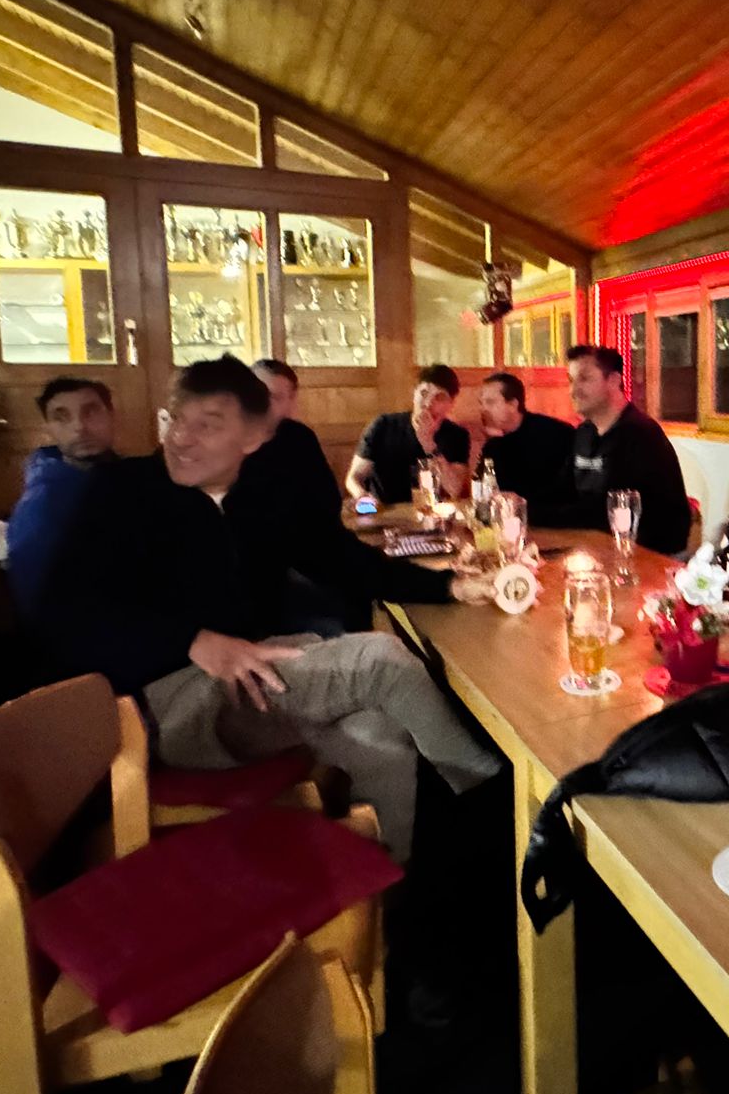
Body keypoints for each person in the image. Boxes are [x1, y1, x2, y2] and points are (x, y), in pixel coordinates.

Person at [43, 357, 499, 860]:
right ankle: (493, 799)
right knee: (382, 659)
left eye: (211, 425)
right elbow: (67, 611)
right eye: (179, 420)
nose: (185, 439)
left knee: (382, 739)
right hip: (158, 706)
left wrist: (452, 586)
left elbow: (342, 561)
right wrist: (191, 641)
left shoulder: (259, 496)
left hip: (252, 676)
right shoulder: (120, 491)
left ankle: (384, 885)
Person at [542, 344, 690, 555]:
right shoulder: (584, 432)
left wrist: (533, 514)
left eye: (584, 379)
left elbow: (604, 512)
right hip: (600, 544)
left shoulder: (640, 435)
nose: (573, 391)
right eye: (571, 380)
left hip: (650, 555)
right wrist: (517, 506)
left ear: (613, 380)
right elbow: (561, 490)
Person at [6, 377, 118, 619]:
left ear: (111, 414)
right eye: (61, 417)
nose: (79, 426)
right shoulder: (43, 504)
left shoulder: (132, 476)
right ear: (48, 427)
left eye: (91, 412)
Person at [348, 364, 471, 503]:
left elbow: (454, 489)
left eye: (440, 397)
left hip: (433, 512)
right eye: (424, 393)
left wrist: (429, 444)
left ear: (451, 404)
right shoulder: (382, 425)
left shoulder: (457, 435)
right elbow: (354, 477)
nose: (428, 403)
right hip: (383, 511)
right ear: (414, 394)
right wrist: (361, 496)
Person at [247, 358, 341, 522]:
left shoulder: (300, 438)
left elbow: (328, 503)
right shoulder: (227, 439)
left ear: (291, 401)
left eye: (275, 397)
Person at [474, 371, 575, 509]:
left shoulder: (554, 433)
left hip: (554, 517)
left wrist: (523, 501)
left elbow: (568, 488)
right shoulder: (492, 445)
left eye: (490, 402)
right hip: (508, 518)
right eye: (481, 403)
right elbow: (482, 491)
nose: (483, 409)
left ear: (513, 404)